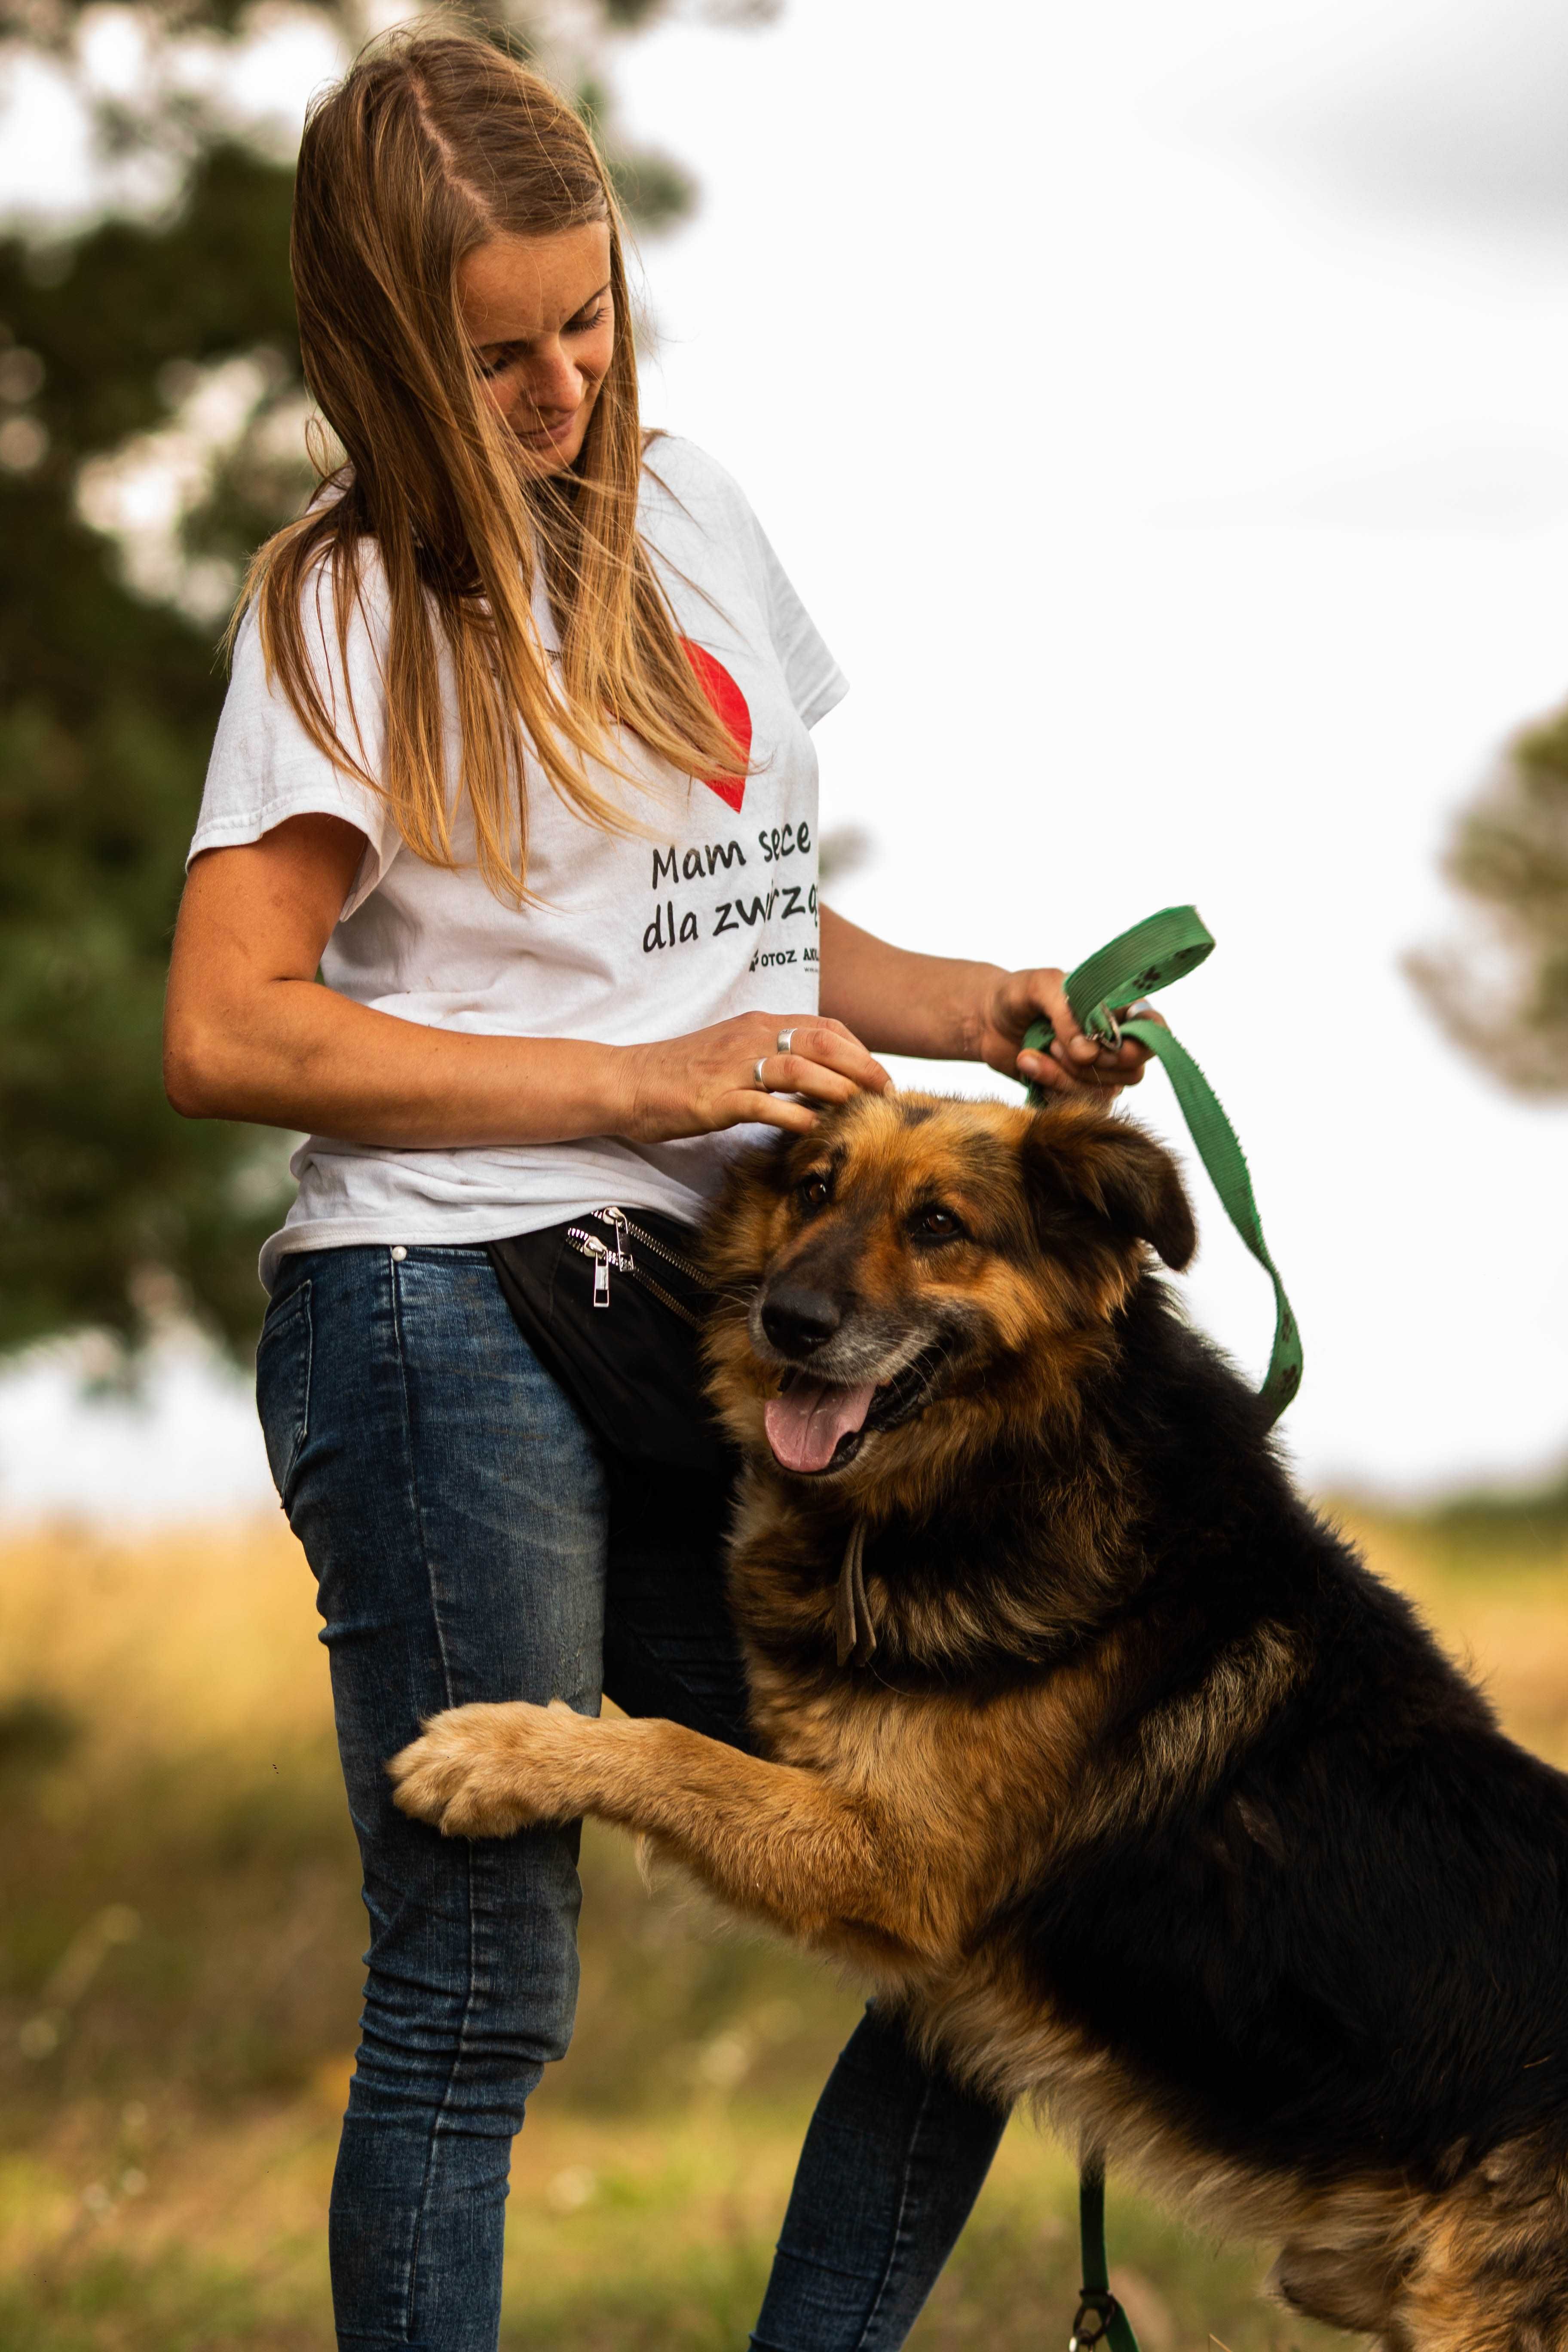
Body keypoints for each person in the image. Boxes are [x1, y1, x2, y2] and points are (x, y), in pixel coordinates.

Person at [162, 32, 1148, 2352]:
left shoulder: (693, 513)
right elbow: (227, 1030)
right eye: (495, 353)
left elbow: (752, 930)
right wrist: (631, 1086)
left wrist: (981, 1005)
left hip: (711, 1301)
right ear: (385, 348)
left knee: (982, 1898)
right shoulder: (338, 610)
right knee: (482, 1990)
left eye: (586, 323)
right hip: (437, 1304)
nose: (562, 385)